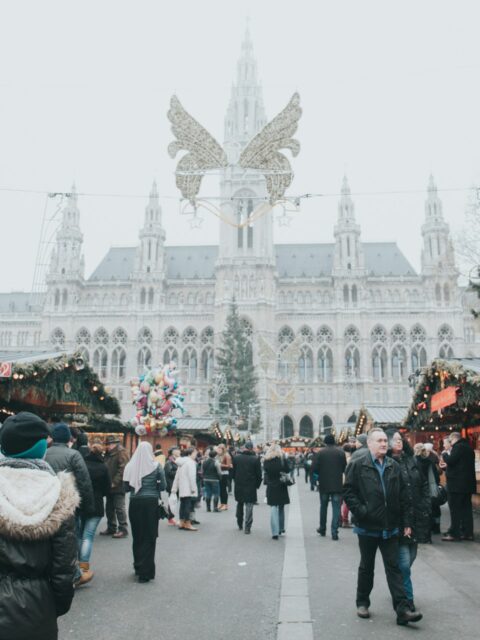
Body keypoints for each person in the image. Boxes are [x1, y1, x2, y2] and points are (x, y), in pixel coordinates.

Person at [0, 412, 78, 640]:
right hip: (37, 607)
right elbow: (63, 569)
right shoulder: (59, 494)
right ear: (41, 447)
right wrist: (52, 606)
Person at [343, 428, 423, 626]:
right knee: (366, 567)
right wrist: (363, 512)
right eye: (379, 440)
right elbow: (348, 491)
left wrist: (406, 523)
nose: (383, 444)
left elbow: (403, 497)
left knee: (394, 568)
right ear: (369, 443)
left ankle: (403, 609)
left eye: (384, 441)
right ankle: (362, 603)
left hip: (390, 527)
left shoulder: (392, 465)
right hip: (367, 528)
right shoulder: (358, 464)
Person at [45, 423, 94, 586]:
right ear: (68, 438)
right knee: (68, 541)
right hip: (68, 504)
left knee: (47, 539)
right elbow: (84, 482)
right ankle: (73, 575)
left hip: (46, 502)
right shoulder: (73, 455)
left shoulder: (44, 453)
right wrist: (87, 506)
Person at [387, 430, 431, 611]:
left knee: (410, 558)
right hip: (399, 520)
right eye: (394, 439)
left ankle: (398, 587)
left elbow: (424, 485)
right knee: (404, 564)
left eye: (400, 439)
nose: (398, 441)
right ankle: (407, 601)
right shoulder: (388, 463)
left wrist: (426, 505)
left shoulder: (411, 460)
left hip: (417, 517)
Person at [123, 441, 166, 583]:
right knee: (149, 536)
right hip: (151, 504)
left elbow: (126, 488)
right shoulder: (156, 467)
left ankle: (138, 566)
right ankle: (146, 572)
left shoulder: (130, 466)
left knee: (138, 536)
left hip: (135, 503)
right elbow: (163, 487)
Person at [78, 440, 111, 585]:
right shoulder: (103, 467)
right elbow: (107, 488)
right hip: (96, 504)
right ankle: (84, 565)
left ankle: (76, 563)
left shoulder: (82, 464)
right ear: (101, 453)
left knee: (79, 534)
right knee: (88, 536)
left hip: (80, 503)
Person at [440, 432, 476, 541]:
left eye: (450, 441)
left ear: (454, 439)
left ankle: (455, 533)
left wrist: (445, 454)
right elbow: (459, 465)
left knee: (455, 510)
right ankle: (467, 533)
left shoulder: (458, 447)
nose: (450, 443)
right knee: (466, 510)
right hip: (467, 485)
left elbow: (451, 460)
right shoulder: (469, 448)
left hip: (457, 486)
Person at [312, 433, 346, 540]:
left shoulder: (320, 453)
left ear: (325, 442)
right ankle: (334, 532)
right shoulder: (341, 453)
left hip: (324, 484)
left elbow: (314, 468)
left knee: (323, 506)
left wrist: (318, 478)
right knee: (336, 508)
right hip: (337, 484)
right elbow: (344, 468)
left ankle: (322, 528)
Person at [102, 435, 130, 538]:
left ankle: (123, 529)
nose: (107, 446)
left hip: (118, 485)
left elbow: (123, 469)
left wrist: (115, 482)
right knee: (109, 508)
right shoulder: (109, 453)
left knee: (119, 508)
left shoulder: (121, 452)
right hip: (109, 484)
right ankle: (111, 527)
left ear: (114, 444)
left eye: (109, 444)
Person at [232, 441, 262, 534]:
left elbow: (233, 473)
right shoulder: (256, 459)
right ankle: (247, 527)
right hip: (251, 485)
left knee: (239, 503)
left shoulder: (236, 458)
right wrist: (257, 485)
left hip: (239, 484)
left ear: (244, 448)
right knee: (249, 505)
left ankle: (239, 523)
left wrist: (236, 480)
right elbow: (259, 475)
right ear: (252, 448)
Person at [263, 443, 290, 540]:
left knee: (273, 507)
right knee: (281, 507)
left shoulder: (266, 460)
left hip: (271, 486)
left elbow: (265, 470)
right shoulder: (282, 459)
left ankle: (274, 532)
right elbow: (288, 470)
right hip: (281, 485)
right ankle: (281, 529)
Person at [171, 447, 198, 531]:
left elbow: (177, 476)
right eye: (195, 453)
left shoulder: (181, 462)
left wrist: (174, 487)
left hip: (182, 487)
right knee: (187, 506)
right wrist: (193, 488)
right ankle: (187, 523)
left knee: (182, 505)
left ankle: (182, 522)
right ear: (190, 454)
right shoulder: (190, 463)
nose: (196, 455)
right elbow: (192, 477)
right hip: (189, 487)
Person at [164, 446, 180, 525]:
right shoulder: (169, 462)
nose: (179, 451)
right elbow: (169, 473)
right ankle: (170, 518)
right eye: (177, 450)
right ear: (173, 452)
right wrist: (179, 471)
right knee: (172, 501)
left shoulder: (176, 460)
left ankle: (172, 517)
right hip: (171, 485)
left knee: (174, 501)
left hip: (176, 484)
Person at [202, 448, 222, 512]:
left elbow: (202, 471)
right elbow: (219, 472)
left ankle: (208, 508)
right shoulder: (216, 462)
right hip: (214, 479)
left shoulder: (204, 462)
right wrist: (220, 477)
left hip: (206, 479)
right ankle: (215, 508)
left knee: (208, 493)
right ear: (215, 456)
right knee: (216, 493)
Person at [217, 444, 233, 511]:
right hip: (219, 473)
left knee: (223, 489)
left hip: (224, 474)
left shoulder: (227, 455)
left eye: (220, 449)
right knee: (220, 490)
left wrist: (220, 465)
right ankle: (222, 503)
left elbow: (229, 466)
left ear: (223, 449)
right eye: (218, 449)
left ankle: (225, 504)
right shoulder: (218, 455)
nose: (218, 450)